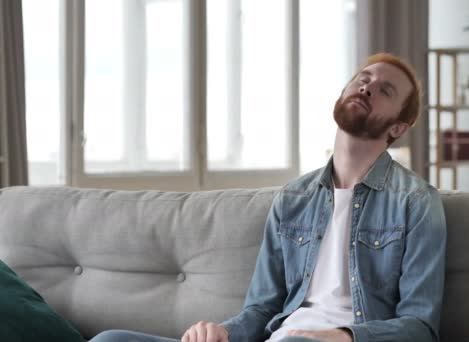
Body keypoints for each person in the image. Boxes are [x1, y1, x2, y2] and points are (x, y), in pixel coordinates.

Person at [91, 52, 447, 342]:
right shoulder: (293, 198)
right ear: (343, 94)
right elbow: (262, 309)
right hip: (279, 339)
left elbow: (420, 326)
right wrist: (223, 332)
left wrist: (345, 336)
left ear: (398, 128)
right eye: (363, 79)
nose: (367, 88)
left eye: (385, 91)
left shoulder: (415, 203)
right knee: (110, 340)